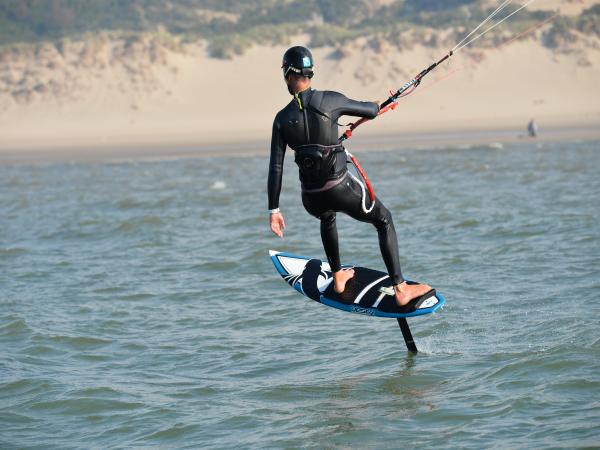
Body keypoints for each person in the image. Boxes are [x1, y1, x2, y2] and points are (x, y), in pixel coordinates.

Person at [267, 46, 431, 306]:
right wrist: (381, 103)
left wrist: (274, 210)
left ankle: (338, 275)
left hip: (311, 197)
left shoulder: (281, 119)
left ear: (288, 73)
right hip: (339, 188)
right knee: (384, 220)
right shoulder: (331, 100)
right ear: (310, 73)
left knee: (326, 216)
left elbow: (275, 166)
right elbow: (372, 110)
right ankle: (401, 289)